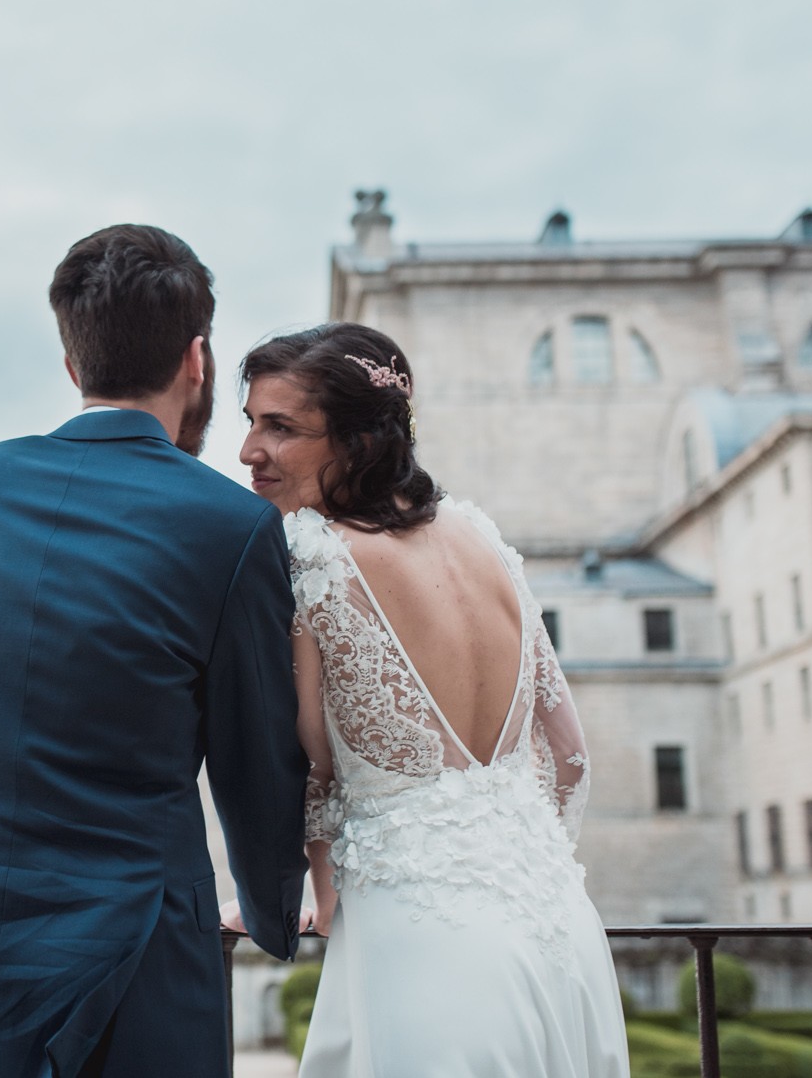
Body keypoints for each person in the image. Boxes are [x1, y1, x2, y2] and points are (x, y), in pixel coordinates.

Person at [0, 224, 311, 1078]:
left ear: (73, 364)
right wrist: (273, 909)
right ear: (197, 359)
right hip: (141, 957)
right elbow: (255, 758)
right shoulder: (234, 524)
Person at [231, 321, 630, 1078]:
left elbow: (309, 773)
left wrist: (311, 894)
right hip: (561, 925)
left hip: (423, 937)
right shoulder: (482, 537)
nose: (250, 450)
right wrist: (512, 857)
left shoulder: (313, 554)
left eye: (280, 427)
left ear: (357, 440)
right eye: (250, 422)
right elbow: (570, 755)